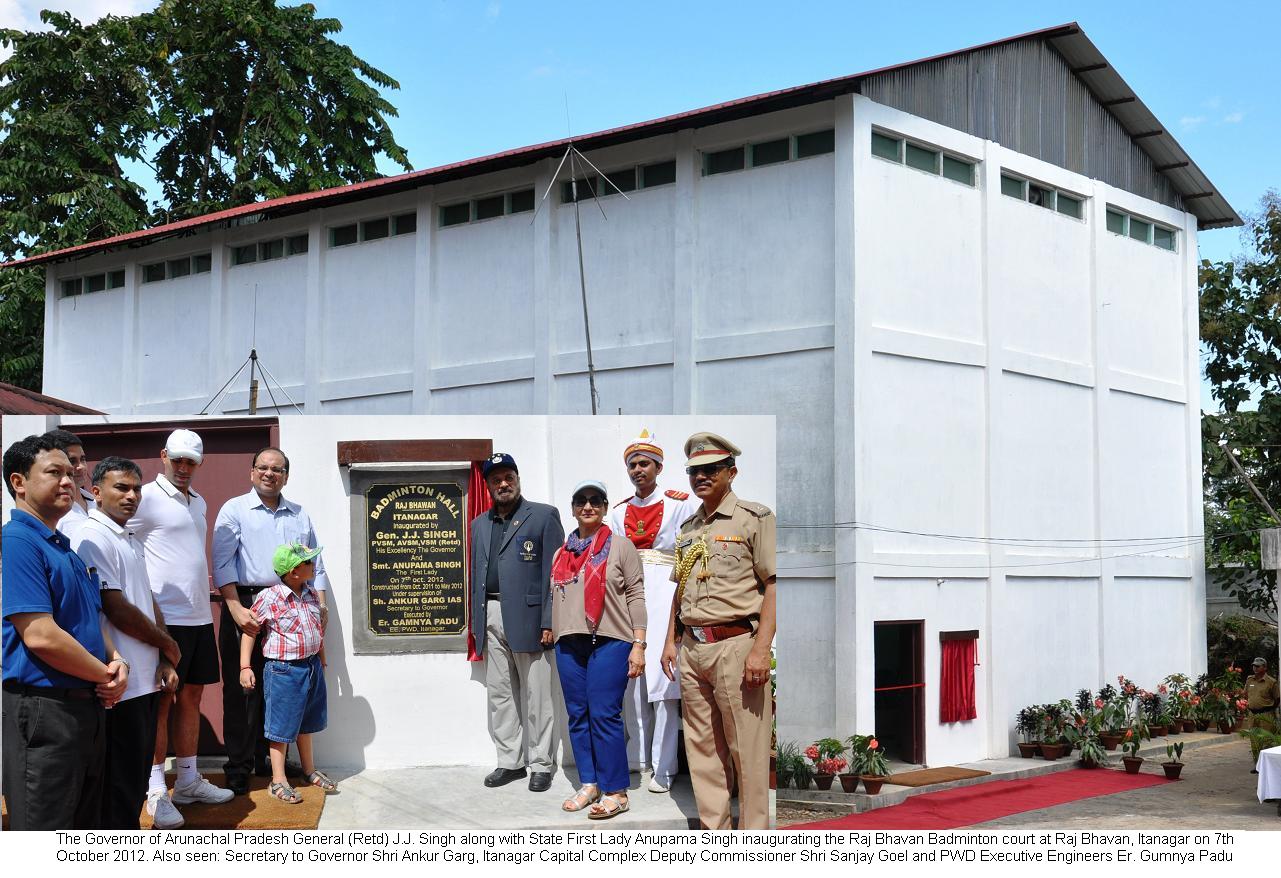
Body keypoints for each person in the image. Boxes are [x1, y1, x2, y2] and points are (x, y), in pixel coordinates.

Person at [2, 434, 129, 830]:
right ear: (19, 482)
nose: (67, 481)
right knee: (43, 833)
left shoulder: (65, 548)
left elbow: (90, 619)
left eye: (70, 473)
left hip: (84, 708)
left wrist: (116, 659)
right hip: (44, 710)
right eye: (53, 472)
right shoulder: (17, 542)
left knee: (80, 829)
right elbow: (39, 634)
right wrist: (105, 674)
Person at [660, 432, 775, 830]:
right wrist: (670, 641)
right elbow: (680, 587)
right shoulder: (689, 528)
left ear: (732, 472)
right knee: (703, 750)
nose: (701, 476)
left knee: (749, 751)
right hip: (693, 649)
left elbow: (774, 584)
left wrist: (762, 649)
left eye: (711, 469)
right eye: (695, 470)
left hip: (737, 647)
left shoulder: (754, 518)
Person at [128, 428, 233, 817]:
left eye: (191, 461)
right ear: (163, 456)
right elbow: (121, 542)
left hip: (199, 617)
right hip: (163, 619)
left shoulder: (199, 502)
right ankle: (156, 789)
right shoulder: (146, 497)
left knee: (191, 697)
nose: (184, 467)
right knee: (161, 702)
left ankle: (187, 781)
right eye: (178, 460)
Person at [72, 457, 182, 829]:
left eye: (136, 488)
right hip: (118, 688)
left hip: (144, 683)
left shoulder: (129, 536)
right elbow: (115, 608)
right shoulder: (92, 537)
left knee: (132, 788)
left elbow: (147, 600)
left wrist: (165, 655)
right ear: (97, 492)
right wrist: (168, 645)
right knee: (116, 794)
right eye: (122, 487)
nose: (132, 495)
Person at [213, 447, 329, 795]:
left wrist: (320, 607)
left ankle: (270, 761)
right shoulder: (234, 510)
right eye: (262, 467)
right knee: (243, 688)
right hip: (248, 602)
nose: (269, 473)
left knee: (284, 687)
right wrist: (234, 608)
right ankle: (239, 764)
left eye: (277, 469)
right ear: (252, 473)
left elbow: (316, 566)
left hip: (295, 604)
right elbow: (222, 563)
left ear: (286, 476)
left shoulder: (299, 514)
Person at [607, 430, 699, 793]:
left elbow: (690, 551)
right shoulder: (617, 511)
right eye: (632, 465)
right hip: (631, 591)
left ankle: (664, 766)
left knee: (664, 682)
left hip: (666, 586)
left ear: (659, 467)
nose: (637, 470)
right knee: (632, 680)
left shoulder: (680, 504)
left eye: (644, 464)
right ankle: (636, 760)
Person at [468, 452, 564, 792]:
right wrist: (477, 622)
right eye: (496, 480)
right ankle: (510, 762)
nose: (503, 484)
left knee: (538, 696)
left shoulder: (543, 516)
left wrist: (549, 620)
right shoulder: (479, 524)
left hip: (530, 619)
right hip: (491, 615)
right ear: (489, 485)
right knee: (501, 694)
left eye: (508, 477)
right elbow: (477, 574)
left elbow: (556, 575)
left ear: (518, 479)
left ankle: (541, 764)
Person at [553, 479, 647, 819]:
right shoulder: (561, 554)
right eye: (581, 500)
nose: (588, 506)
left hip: (611, 639)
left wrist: (639, 643)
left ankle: (617, 790)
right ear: (573, 507)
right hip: (570, 642)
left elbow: (635, 594)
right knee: (578, 715)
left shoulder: (621, 547)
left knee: (605, 714)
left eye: (596, 500)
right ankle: (590, 784)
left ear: (606, 507)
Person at [237, 543, 337, 804]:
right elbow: (251, 631)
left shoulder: (311, 594)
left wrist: (322, 663)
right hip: (284, 670)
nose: (314, 565)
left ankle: (308, 769)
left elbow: (318, 631)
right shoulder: (270, 598)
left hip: (311, 666)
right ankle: (278, 779)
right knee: (281, 727)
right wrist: (245, 666)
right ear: (293, 572)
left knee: (306, 722)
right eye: (309, 563)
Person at [45, 429, 95, 542]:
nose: (81, 466)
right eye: (72, 461)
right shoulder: (52, 511)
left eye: (83, 459)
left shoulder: (97, 503)